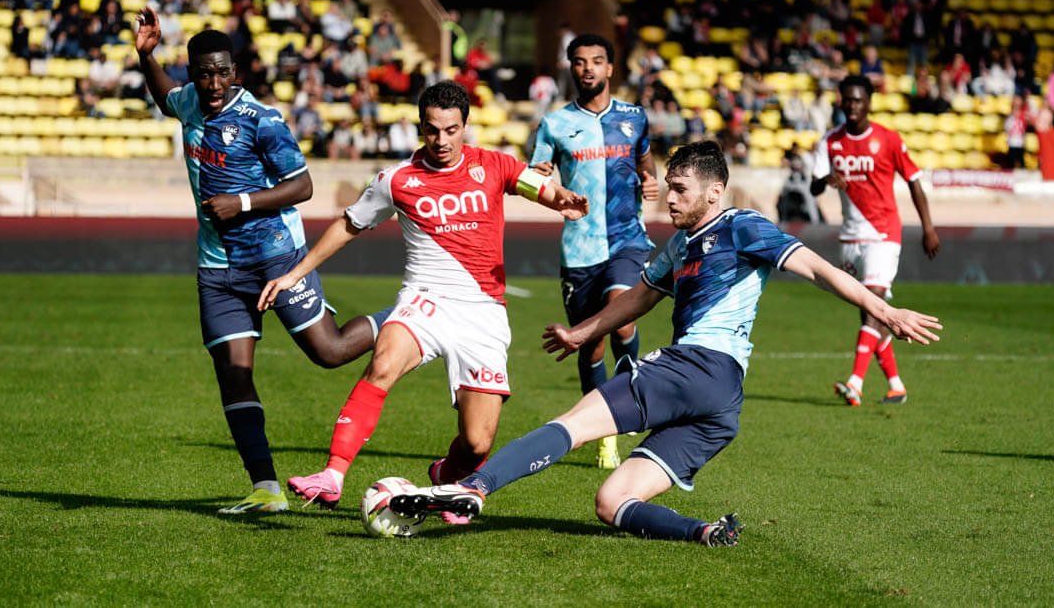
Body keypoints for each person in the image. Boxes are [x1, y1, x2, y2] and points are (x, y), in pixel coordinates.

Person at [386, 140, 942, 545]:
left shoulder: (742, 226)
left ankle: (474, 487)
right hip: (721, 405)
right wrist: (582, 332)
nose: (667, 198)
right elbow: (639, 297)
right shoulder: (680, 244)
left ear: (714, 192)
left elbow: (818, 268)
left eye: (680, 189)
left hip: (696, 366)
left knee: (574, 423)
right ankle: (704, 532)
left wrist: (884, 310)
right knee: (612, 502)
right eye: (668, 187)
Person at [257, 81, 589, 523]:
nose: (441, 140)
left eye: (451, 130)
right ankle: (332, 475)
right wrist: (295, 273)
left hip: (483, 312)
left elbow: (538, 186)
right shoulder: (396, 180)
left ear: (465, 126)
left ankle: (447, 478)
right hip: (424, 299)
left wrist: (561, 199)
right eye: (432, 130)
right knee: (383, 363)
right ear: (421, 127)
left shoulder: (494, 164)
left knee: (477, 443)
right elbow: (349, 225)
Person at [133, 6, 388, 515]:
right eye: (203, 74)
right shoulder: (190, 102)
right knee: (233, 372)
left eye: (221, 73)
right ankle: (266, 488)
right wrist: (146, 57)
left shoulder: (261, 119)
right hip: (218, 269)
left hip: (277, 259)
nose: (213, 84)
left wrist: (243, 202)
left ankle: (403, 319)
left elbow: (303, 186)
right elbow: (166, 97)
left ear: (235, 71)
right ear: (193, 73)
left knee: (330, 352)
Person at [530, 32, 659, 469]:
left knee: (622, 321)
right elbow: (534, 180)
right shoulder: (554, 124)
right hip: (580, 249)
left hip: (628, 239)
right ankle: (603, 431)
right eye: (580, 61)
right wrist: (548, 188)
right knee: (592, 347)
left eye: (597, 61)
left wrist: (650, 180)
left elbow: (645, 161)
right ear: (571, 68)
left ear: (610, 68)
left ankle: (631, 403)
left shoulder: (634, 117)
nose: (588, 69)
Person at [809, 75, 940, 406]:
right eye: (847, 100)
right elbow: (813, 187)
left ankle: (855, 382)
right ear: (841, 102)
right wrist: (826, 179)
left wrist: (928, 227)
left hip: (883, 234)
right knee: (872, 311)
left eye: (858, 100)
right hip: (850, 236)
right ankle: (896, 386)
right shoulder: (830, 141)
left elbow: (913, 181)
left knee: (875, 303)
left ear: (869, 102)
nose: (852, 106)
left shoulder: (888, 139)